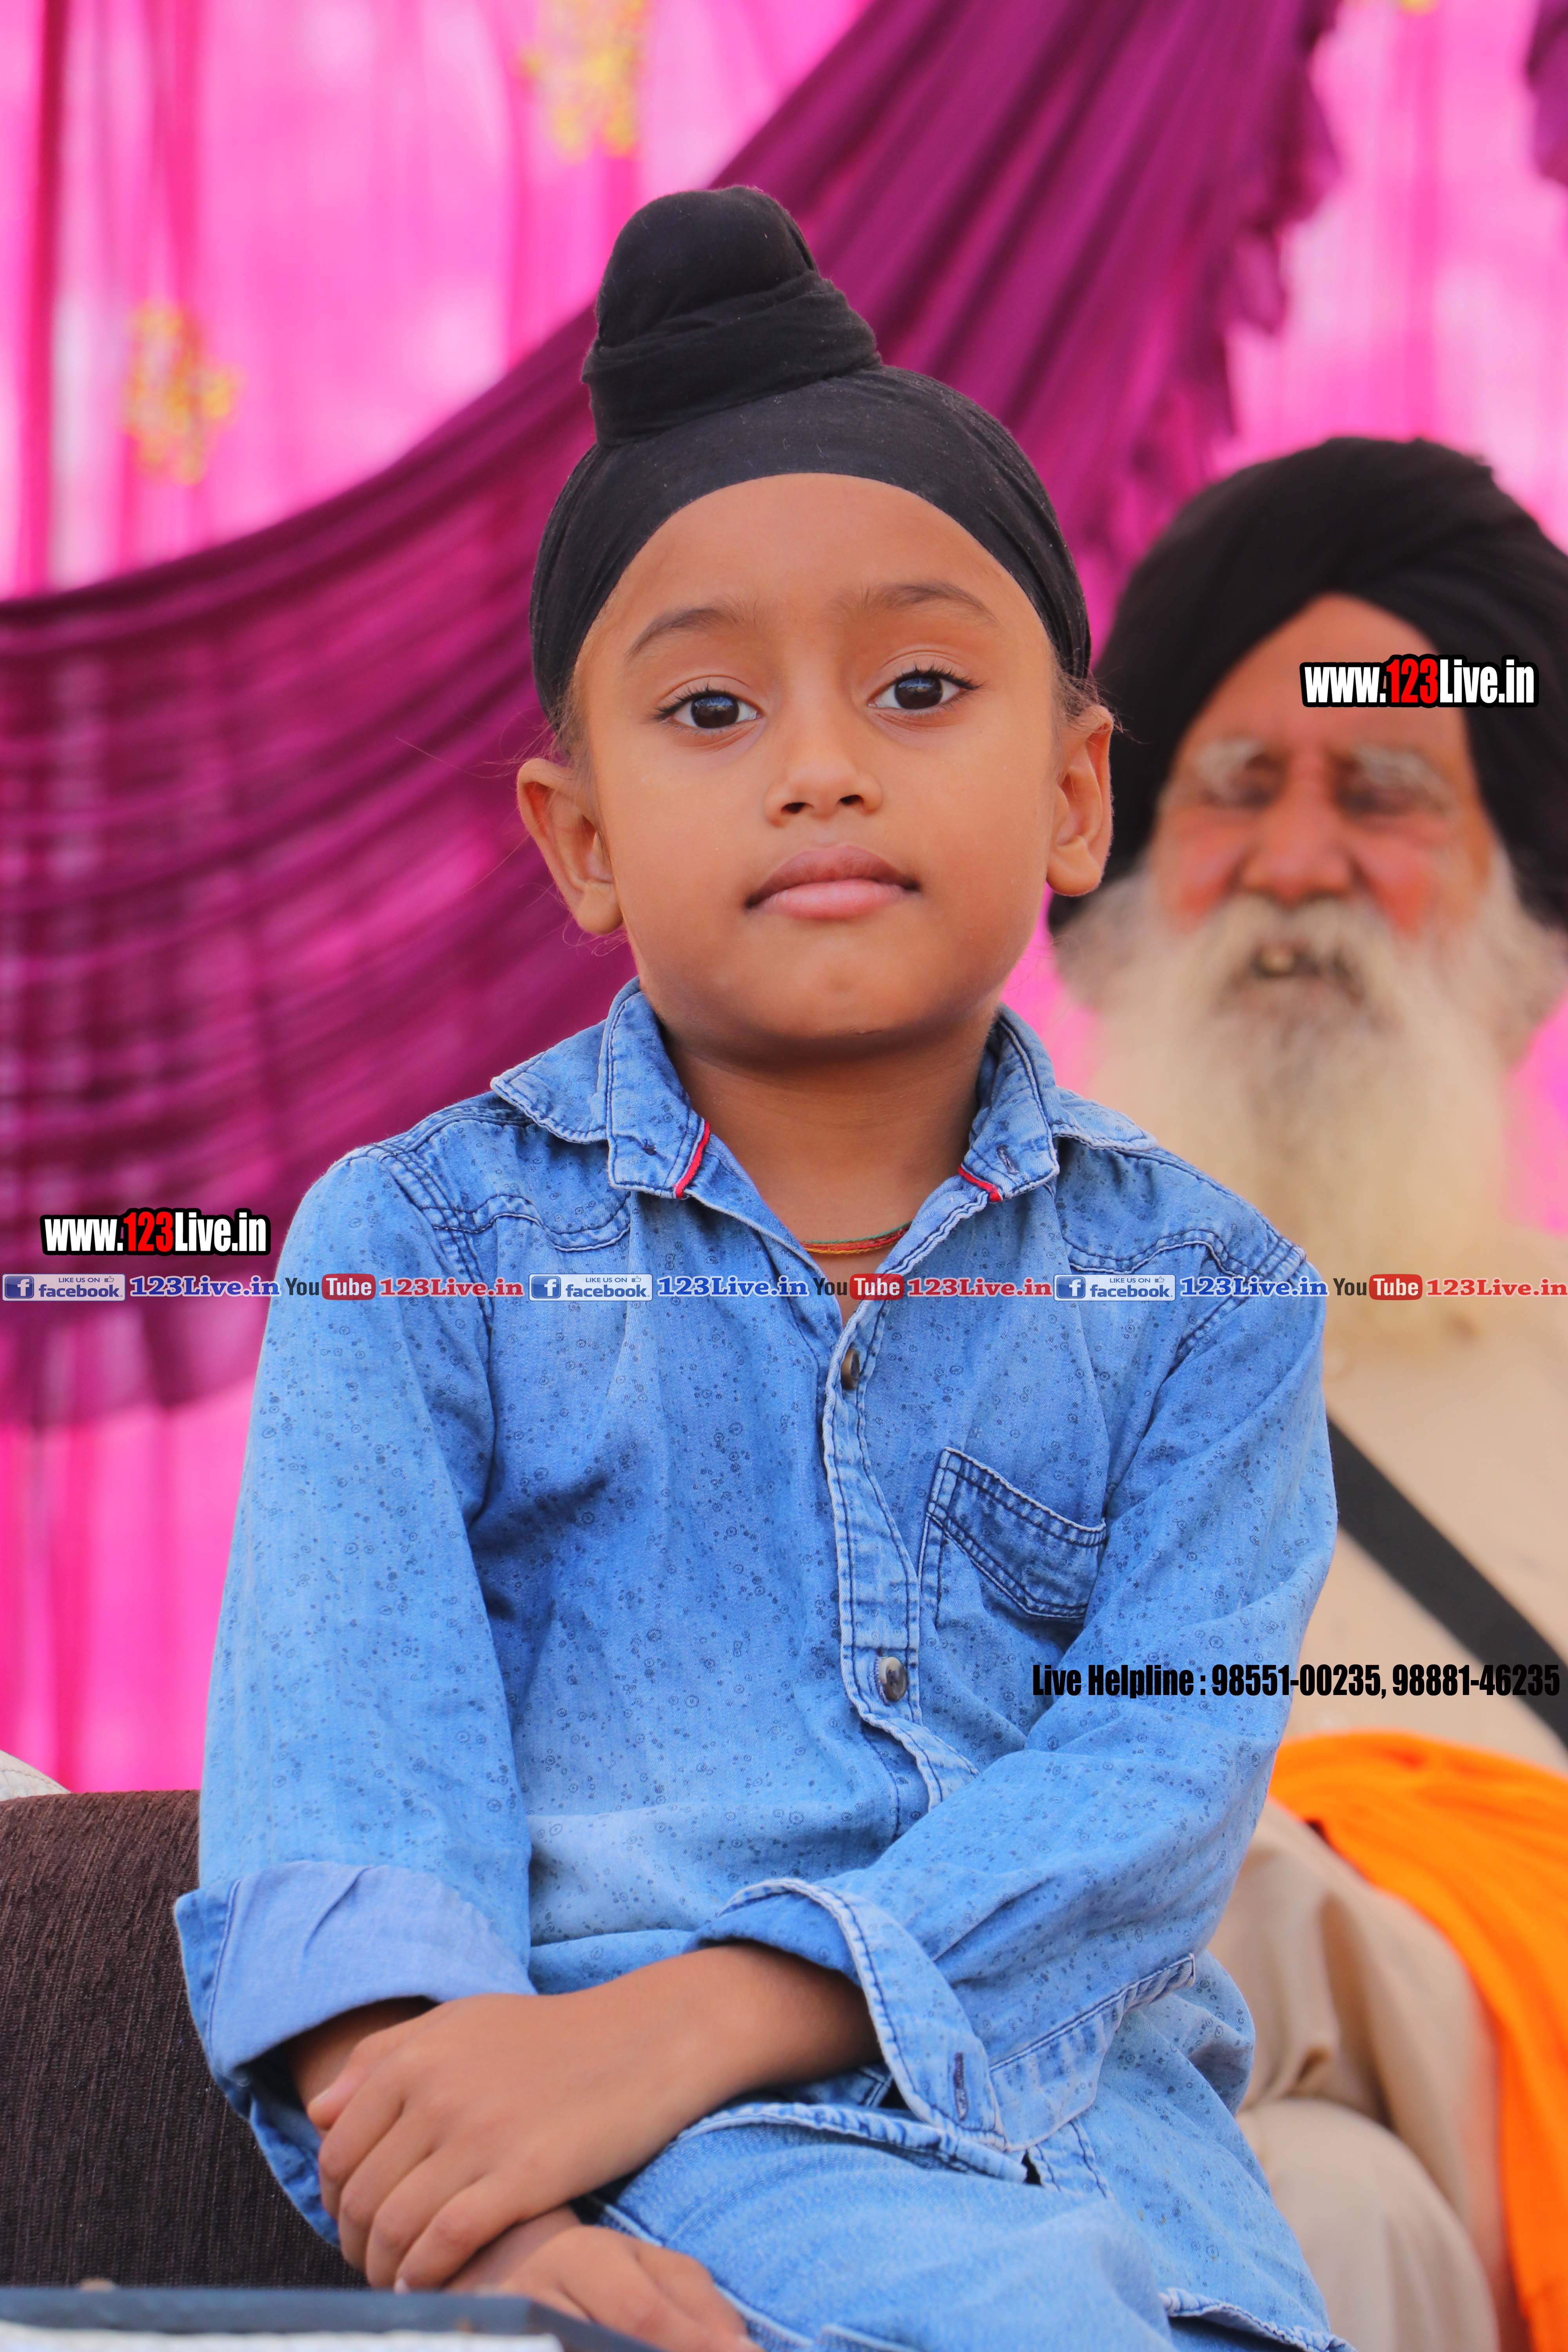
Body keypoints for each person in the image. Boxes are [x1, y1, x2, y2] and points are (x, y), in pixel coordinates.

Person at [176, 189, 1341, 2352]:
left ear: (1076, 794)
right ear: (581, 839)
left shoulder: (1214, 1300)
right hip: (660, 2189)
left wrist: (702, 2012)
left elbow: (1145, 1804)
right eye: (710, 710)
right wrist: (503, 2245)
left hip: (1119, 2175)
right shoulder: (417, 1256)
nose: (819, 768)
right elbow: (346, 1815)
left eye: (919, 687)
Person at [1049, 436, 1568, 2352]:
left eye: (1384, 790)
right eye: (1238, 784)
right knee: (1298, 2199)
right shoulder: (922, 1350)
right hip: (1037, 2181)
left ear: (1526, 911)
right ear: (1118, 881)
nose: (1293, 864)